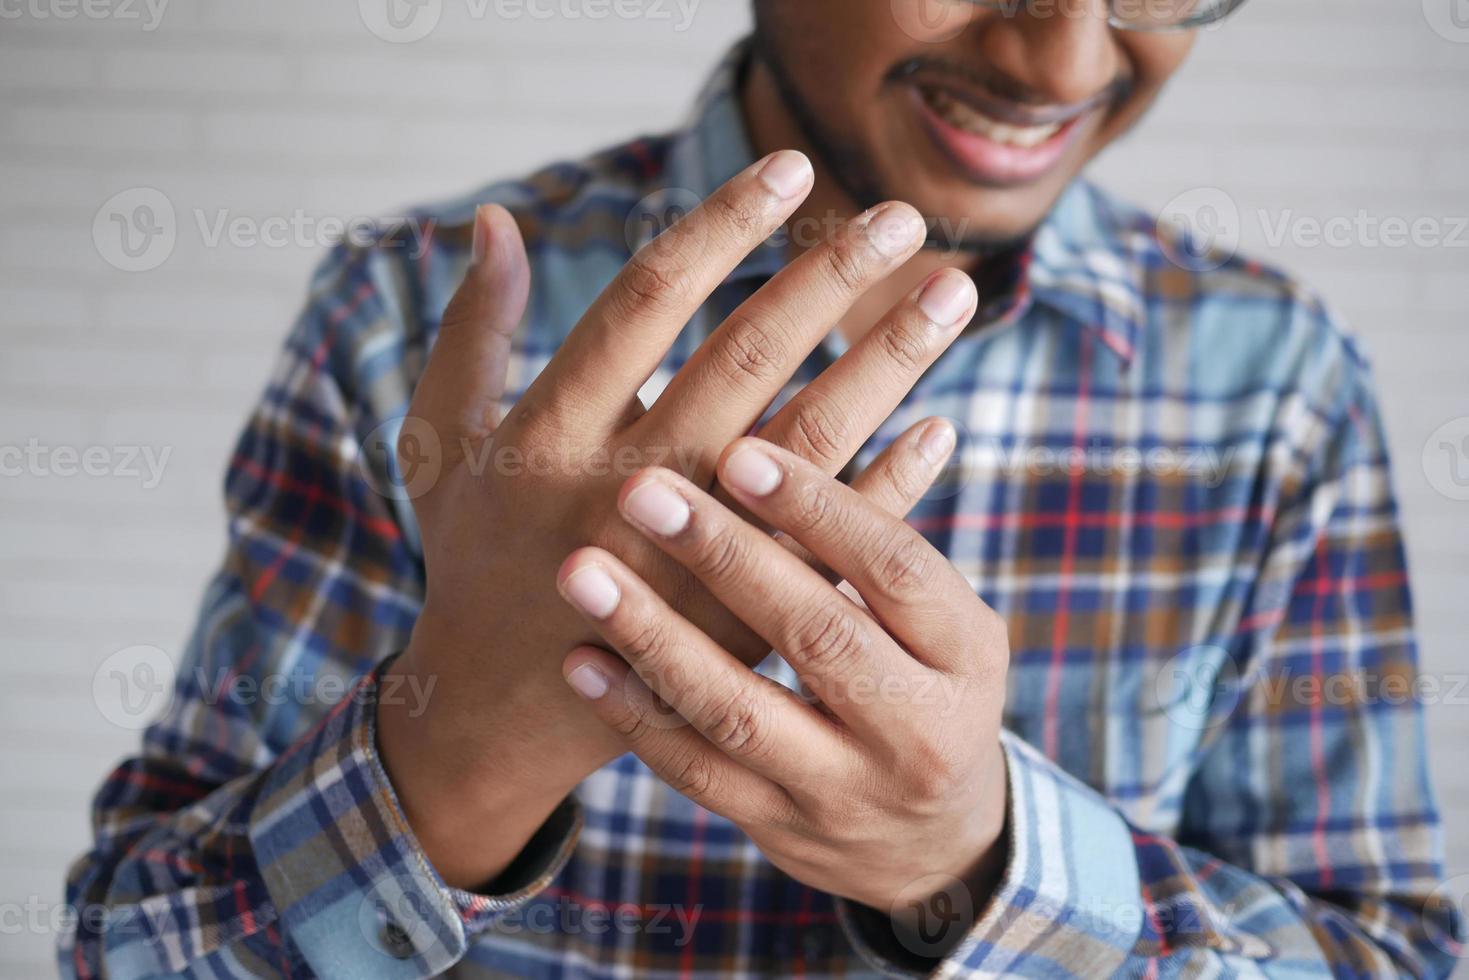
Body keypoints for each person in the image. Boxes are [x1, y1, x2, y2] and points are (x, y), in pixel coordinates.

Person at [62, 1, 1463, 976]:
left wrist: (979, 862)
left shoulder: (1273, 381)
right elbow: (129, 951)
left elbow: (1390, 954)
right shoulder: (413, 319)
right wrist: (459, 756)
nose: (1060, 57)